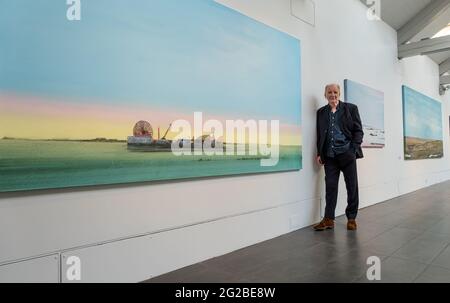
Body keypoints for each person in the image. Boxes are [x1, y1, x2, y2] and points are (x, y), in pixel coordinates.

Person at [313, 83, 364, 231]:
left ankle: (352, 218)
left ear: (339, 93)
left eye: (335, 92)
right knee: (330, 187)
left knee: (352, 187)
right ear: (325, 94)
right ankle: (329, 219)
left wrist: (353, 149)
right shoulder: (321, 112)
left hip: (347, 155)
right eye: (329, 92)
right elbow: (320, 134)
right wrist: (319, 153)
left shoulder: (351, 108)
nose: (332, 94)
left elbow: (358, 131)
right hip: (330, 157)